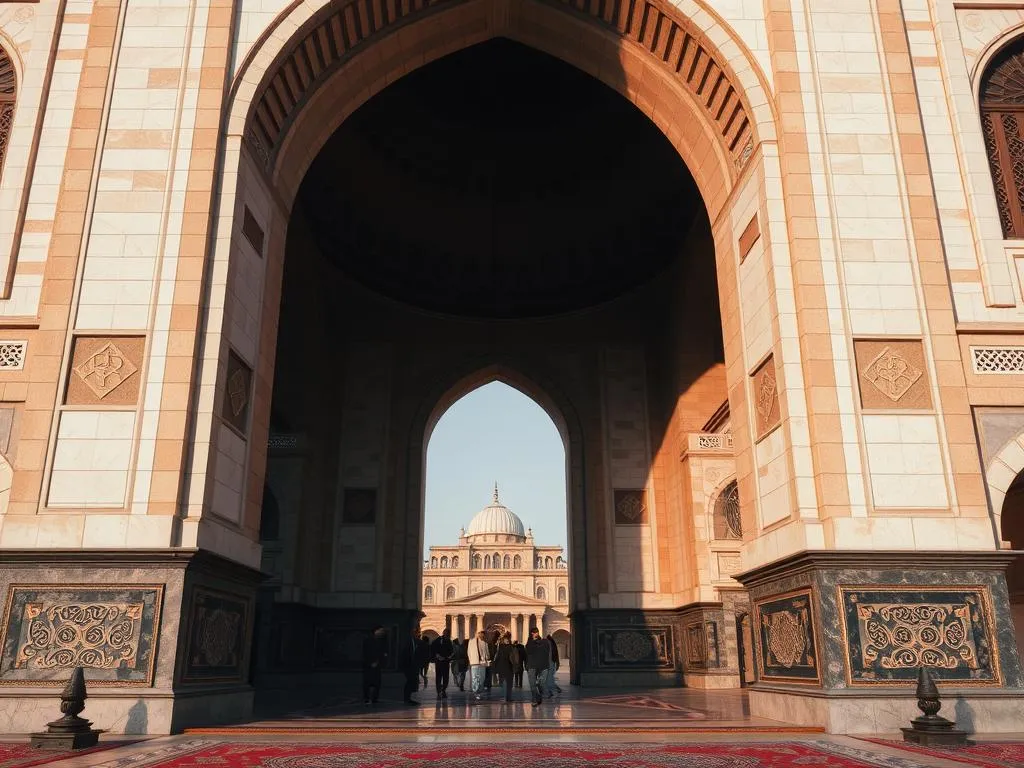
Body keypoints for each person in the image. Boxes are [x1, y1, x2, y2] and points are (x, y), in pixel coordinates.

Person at [361, 625, 388, 704]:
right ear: (376, 631)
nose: (382, 632)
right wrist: (370, 663)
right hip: (368, 665)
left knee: (377, 683)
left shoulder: (380, 640)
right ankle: (367, 698)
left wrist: (379, 661)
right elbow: (365, 653)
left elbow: (382, 652)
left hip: (377, 665)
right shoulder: (368, 640)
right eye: (380, 631)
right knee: (367, 683)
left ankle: (374, 699)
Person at [525, 626, 551, 707]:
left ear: (538, 632)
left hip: (543, 665)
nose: (534, 634)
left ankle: (538, 696)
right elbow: (529, 650)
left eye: (536, 632)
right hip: (532, 665)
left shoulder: (545, 641)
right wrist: (533, 641)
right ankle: (534, 699)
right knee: (532, 684)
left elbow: (547, 652)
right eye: (533, 632)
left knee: (542, 683)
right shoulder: (529, 643)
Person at [466, 629, 492, 700]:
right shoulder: (471, 642)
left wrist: (487, 659)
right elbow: (468, 652)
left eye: (483, 634)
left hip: (483, 663)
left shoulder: (485, 643)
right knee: (475, 678)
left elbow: (487, 653)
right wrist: (471, 660)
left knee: (482, 678)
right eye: (480, 633)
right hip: (474, 663)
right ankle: (476, 692)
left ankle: (479, 691)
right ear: (478, 634)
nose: (482, 635)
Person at [431, 627, 454, 698]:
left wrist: (450, 656)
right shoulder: (438, 640)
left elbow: (451, 651)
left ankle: (442, 690)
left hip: (445, 661)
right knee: (440, 677)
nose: (448, 635)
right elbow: (433, 648)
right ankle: (439, 691)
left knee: (445, 677)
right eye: (447, 633)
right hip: (440, 661)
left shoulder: (449, 641)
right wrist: (437, 656)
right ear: (444, 633)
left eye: (448, 634)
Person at [492, 632, 515, 702]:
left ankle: (508, 697)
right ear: (503, 640)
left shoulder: (511, 647)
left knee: (509, 683)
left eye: (508, 639)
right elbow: (497, 658)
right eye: (505, 639)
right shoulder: (501, 648)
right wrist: (495, 668)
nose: (507, 640)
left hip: (509, 667)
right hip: (503, 667)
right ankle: (506, 697)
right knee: (503, 683)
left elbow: (514, 658)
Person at [402, 625, 421, 705]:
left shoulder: (414, 641)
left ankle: (408, 698)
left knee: (411, 682)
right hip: (408, 666)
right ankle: (407, 699)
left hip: (412, 666)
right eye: (418, 633)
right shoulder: (409, 641)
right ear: (414, 632)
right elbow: (406, 654)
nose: (419, 634)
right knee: (409, 682)